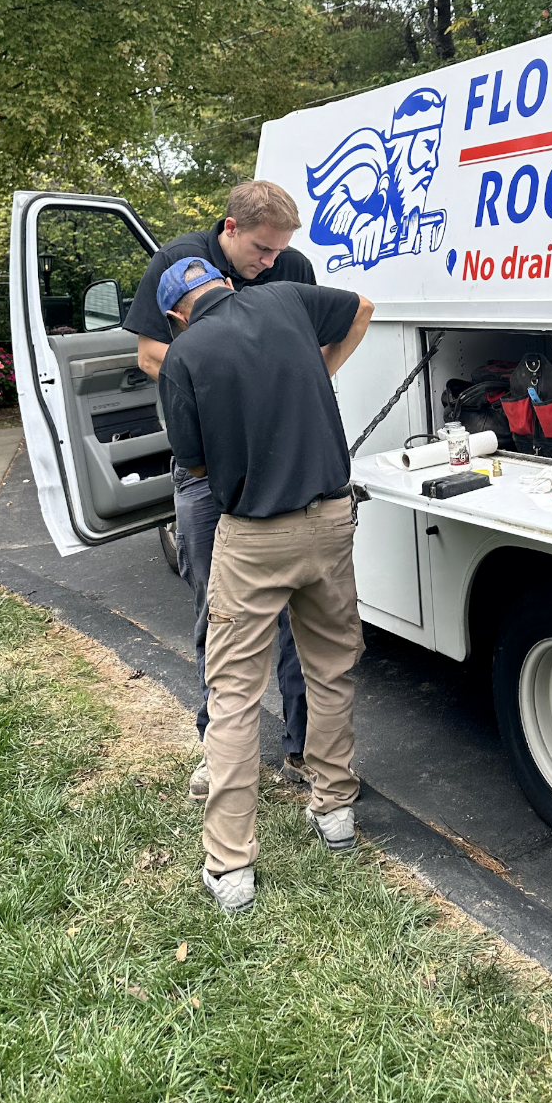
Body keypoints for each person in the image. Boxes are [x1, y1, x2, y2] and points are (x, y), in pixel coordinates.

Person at [157, 256, 374, 915]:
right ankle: (334, 811)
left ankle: (231, 868)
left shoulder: (183, 355)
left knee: (233, 695)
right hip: (333, 516)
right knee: (331, 668)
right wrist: (319, 373)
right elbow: (362, 306)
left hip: (254, 536)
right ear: (227, 285)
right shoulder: (287, 301)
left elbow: (191, 460)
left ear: (175, 315)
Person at [124, 179, 314, 790]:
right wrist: (236, 392)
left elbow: (315, 343)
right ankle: (220, 748)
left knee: (294, 613)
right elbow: (151, 355)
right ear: (229, 230)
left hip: (283, 460)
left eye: (279, 252)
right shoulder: (181, 263)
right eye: (261, 250)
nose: (271, 263)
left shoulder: (292, 267)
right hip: (205, 469)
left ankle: (304, 750)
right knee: (219, 608)